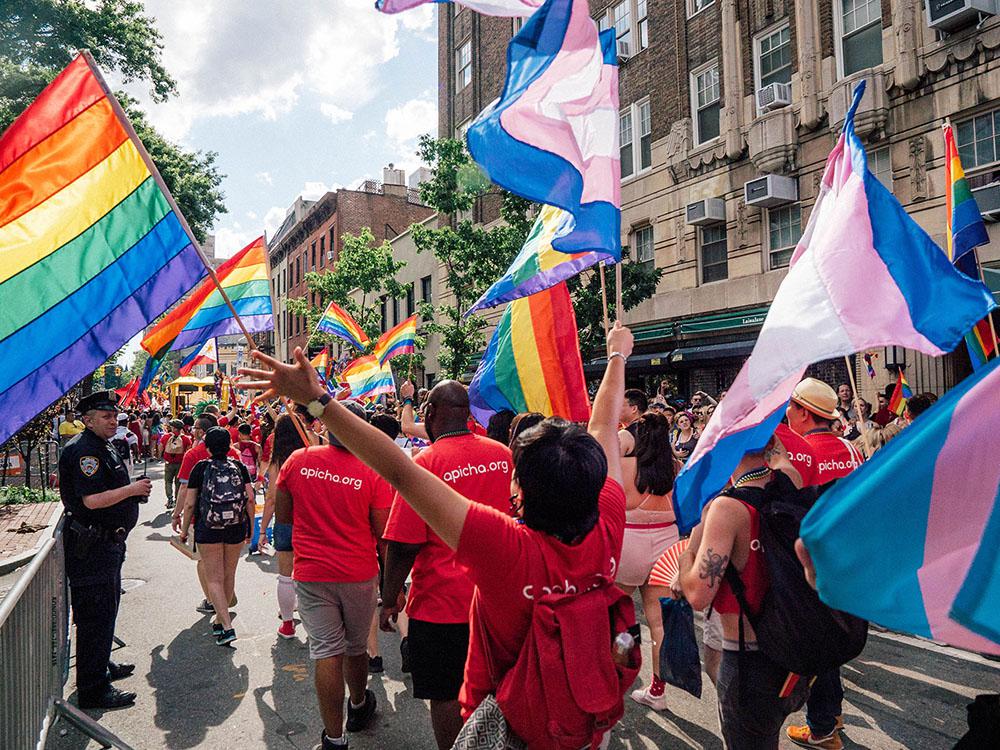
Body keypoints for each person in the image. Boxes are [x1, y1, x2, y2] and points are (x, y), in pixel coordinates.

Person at [238, 322, 633, 747]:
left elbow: (398, 470)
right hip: (587, 726)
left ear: (519, 488)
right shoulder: (608, 518)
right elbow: (603, 428)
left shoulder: (507, 547)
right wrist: (616, 356)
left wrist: (318, 401)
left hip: (517, 729)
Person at [380, 380, 514, 750]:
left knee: (445, 694)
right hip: (498, 601)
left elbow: (404, 543)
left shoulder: (426, 463)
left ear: (430, 414)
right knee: (496, 687)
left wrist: (389, 598)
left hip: (442, 606)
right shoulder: (502, 454)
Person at [675, 440, 810, 749]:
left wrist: (688, 552)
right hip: (795, 652)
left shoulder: (727, 508)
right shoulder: (792, 479)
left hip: (750, 663)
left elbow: (698, 594)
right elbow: (782, 458)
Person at [274, 401, 390, 749]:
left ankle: (335, 739)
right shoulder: (373, 470)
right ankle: (357, 705)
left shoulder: (298, 461)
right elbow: (383, 535)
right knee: (355, 648)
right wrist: (393, 586)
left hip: (312, 573)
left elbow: (283, 517)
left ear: (326, 425)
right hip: (357, 574)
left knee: (326, 651)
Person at [59, 391, 152, 709]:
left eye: (114, 416)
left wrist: (130, 496)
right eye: (106, 416)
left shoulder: (102, 445)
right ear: (87, 420)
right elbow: (92, 500)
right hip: (92, 546)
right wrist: (132, 490)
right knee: (94, 616)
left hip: (106, 543)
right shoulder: (85, 450)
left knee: (106, 610)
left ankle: (100, 665)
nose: (114, 421)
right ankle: (93, 688)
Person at [785, 377, 863, 750]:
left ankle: (822, 729)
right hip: (849, 559)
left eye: (790, 406)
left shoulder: (800, 453)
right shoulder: (850, 448)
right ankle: (832, 718)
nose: (786, 412)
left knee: (820, 649)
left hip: (813, 564)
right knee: (835, 639)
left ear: (802, 412)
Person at [615, 412, 678, 711]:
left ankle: (615, 678)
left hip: (630, 541)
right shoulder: (675, 466)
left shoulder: (624, 465)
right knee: (659, 624)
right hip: (666, 543)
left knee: (616, 617)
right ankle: (658, 691)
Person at [179, 427, 253, 645]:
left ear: (208, 447)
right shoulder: (239, 466)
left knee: (214, 578)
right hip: (236, 526)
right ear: (230, 445)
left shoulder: (200, 468)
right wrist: (250, 527)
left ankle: (227, 626)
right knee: (229, 575)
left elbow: (190, 502)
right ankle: (220, 622)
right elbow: (249, 498)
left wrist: (184, 530)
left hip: (208, 527)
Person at [172, 415, 241, 615]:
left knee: (204, 562)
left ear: (202, 432)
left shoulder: (193, 455)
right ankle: (226, 596)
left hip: (204, 519)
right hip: (233, 518)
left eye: (195, 427)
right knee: (227, 564)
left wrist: (178, 515)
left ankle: (213, 601)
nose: (193, 430)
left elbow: (185, 492)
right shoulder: (234, 453)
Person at [258, 413, 309, 639]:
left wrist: (262, 530)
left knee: (285, 577)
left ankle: (287, 624)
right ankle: (314, 623)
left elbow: (271, 499)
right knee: (308, 577)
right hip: (310, 523)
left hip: (285, 521)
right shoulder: (311, 455)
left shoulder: (277, 463)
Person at [160, 419, 191, 510]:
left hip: (169, 463)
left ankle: (170, 499)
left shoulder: (166, 437)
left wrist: (158, 456)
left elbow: (160, 447)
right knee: (178, 483)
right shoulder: (186, 439)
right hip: (180, 463)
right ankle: (178, 501)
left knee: (168, 481)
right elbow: (188, 450)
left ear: (173, 428)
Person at [618, 388, 648, 456]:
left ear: (634, 409)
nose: (616, 409)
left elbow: (611, 464)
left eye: (620, 405)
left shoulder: (624, 435)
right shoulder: (657, 429)